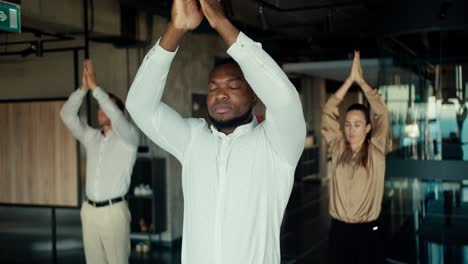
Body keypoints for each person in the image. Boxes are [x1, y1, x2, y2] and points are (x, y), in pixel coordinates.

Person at [125, 0, 306, 263]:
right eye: (213, 88)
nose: (220, 94)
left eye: (233, 87)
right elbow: (139, 106)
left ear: (254, 96)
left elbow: (285, 99)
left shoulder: (276, 145)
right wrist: (176, 29)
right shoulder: (192, 140)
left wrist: (221, 23)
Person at [60, 59, 139, 264]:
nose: (101, 110)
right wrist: (83, 89)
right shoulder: (91, 137)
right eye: (100, 107)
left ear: (119, 113)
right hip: (89, 211)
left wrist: (96, 88)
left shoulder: (128, 137)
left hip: (114, 212)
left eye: (107, 107)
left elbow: (116, 117)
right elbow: (66, 115)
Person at [321, 51, 391, 264]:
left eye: (358, 124)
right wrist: (349, 81)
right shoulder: (337, 147)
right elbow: (329, 109)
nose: (351, 130)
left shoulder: (377, 149)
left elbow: (382, 112)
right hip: (339, 230)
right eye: (348, 124)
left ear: (368, 128)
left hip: (368, 232)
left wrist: (361, 82)